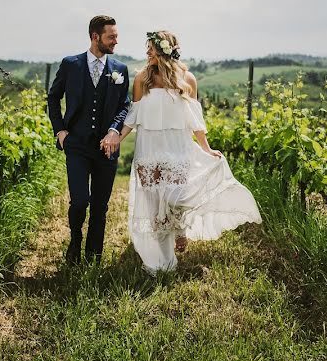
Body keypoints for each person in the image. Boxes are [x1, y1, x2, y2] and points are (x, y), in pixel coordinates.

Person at [112, 30, 262, 273]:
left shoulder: (188, 80)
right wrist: (118, 137)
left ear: (163, 51)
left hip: (177, 147)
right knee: (153, 203)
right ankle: (163, 259)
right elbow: (134, 115)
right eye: (147, 47)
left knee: (176, 198)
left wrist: (207, 148)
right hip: (149, 147)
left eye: (151, 48)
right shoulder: (142, 78)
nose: (147, 52)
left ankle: (180, 229)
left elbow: (195, 120)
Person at [47, 15, 130, 264]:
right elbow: (53, 98)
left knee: (100, 206)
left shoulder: (120, 70)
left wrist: (114, 130)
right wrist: (60, 131)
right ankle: (74, 240)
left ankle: (93, 257)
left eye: (116, 35)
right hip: (77, 145)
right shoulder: (71, 64)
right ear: (96, 37)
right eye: (111, 36)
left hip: (107, 149)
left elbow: (124, 106)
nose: (116, 40)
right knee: (80, 200)